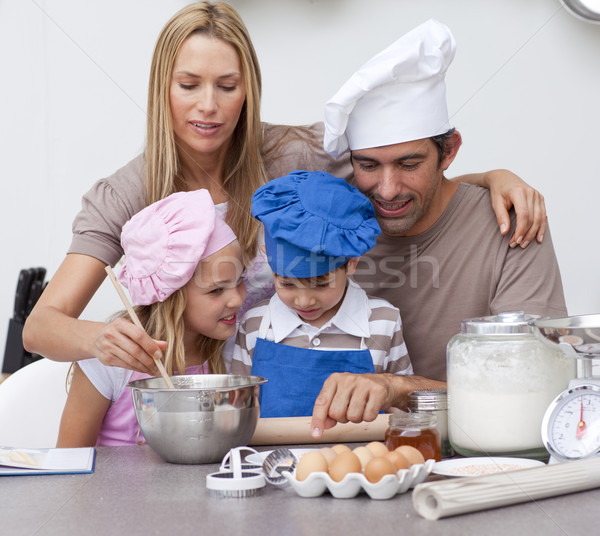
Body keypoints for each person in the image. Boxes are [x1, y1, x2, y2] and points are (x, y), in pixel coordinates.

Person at [23, 1, 546, 377]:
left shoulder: (295, 156)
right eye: (189, 85)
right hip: (198, 387)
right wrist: (99, 339)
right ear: (163, 86)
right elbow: (40, 326)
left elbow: (395, 173)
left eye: (227, 86)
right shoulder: (126, 193)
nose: (209, 105)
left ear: (248, 89)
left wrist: (494, 178)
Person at [310, 19, 568, 438]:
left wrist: (397, 388)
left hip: (471, 452)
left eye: (410, 165)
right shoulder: (326, 224)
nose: (388, 190)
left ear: (449, 151)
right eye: (368, 165)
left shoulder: (511, 225)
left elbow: (528, 388)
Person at [57, 190, 246, 446]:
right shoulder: (110, 361)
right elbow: (70, 462)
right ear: (171, 297)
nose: (237, 299)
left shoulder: (230, 351)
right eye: (216, 290)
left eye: (240, 280)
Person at [231, 170, 412, 417]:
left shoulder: (383, 321)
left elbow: (404, 410)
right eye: (287, 284)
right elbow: (238, 412)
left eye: (320, 284)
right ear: (267, 257)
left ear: (352, 263)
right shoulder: (255, 323)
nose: (304, 301)